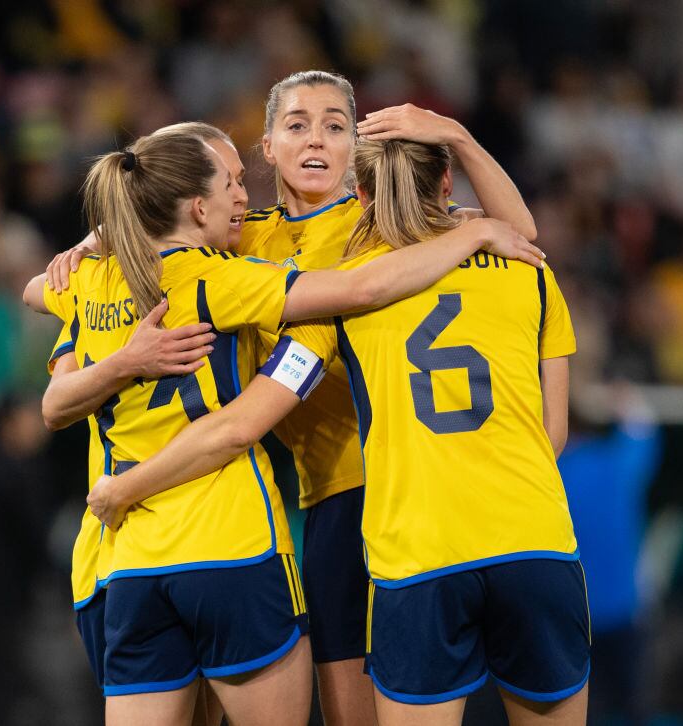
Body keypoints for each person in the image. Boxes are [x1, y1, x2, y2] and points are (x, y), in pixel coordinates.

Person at [45, 70, 537, 725]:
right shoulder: (238, 237)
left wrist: (457, 139)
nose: (317, 138)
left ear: (355, 149)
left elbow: (521, 236)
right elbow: (163, 186)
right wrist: (98, 235)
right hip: (329, 502)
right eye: (296, 124)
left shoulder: (382, 222)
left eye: (336, 125)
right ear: (267, 147)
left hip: (414, 492)